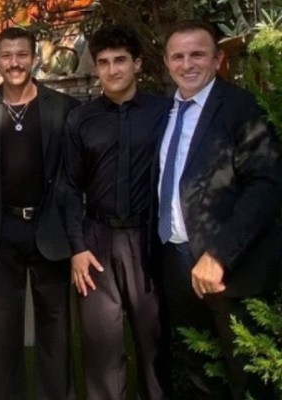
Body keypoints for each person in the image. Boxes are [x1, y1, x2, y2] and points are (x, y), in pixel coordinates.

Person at [156, 20, 282, 399]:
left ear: (217, 59)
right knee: (197, 370)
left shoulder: (241, 109)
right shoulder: (166, 111)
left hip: (228, 269)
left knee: (244, 377)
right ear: (167, 62)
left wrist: (219, 255)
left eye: (197, 54)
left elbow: (265, 186)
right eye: (178, 56)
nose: (187, 64)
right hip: (176, 261)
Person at [0, 27, 80, 400]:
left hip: (49, 227)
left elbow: (75, 173)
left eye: (21, 54)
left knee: (56, 327)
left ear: (34, 58)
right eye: (6, 55)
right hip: (2, 230)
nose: (14, 63)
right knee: (3, 330)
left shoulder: (63, 108)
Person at [62, 25, 171, 400]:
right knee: (101, 349)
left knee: (155, 344)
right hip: (97, 242)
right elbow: (69, 187)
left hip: (149, 241)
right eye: (104, 62)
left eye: (120, 60)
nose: (112, 69)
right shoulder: (81, 119)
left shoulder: (165, 113)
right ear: (96, 68)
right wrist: (77, 248)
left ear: (137, 63)